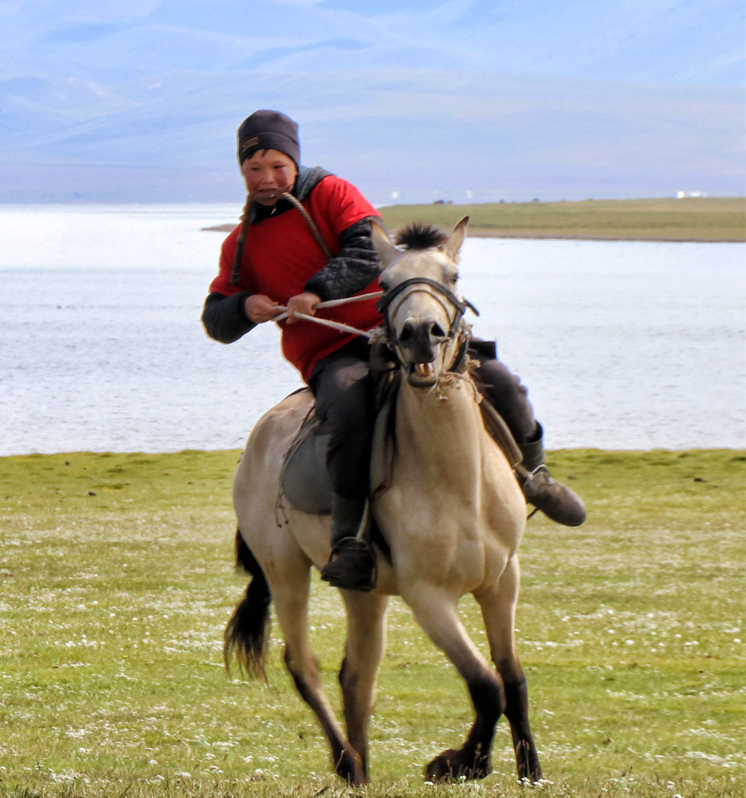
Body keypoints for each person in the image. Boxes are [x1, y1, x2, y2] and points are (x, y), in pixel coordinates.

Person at [203, 109, 584, 592]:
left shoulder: (332, 193)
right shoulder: (241, 243)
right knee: (349, 414)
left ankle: (537, 476)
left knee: (502, 380)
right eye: (254, 169)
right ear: (241, 172)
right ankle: (349, 541)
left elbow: (369, 248)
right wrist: (243, 306)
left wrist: (317, 289)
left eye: (278, 166)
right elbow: (215, 318)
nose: (267, 178)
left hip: (393, 333)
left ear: (294, 163)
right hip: (329, 356)